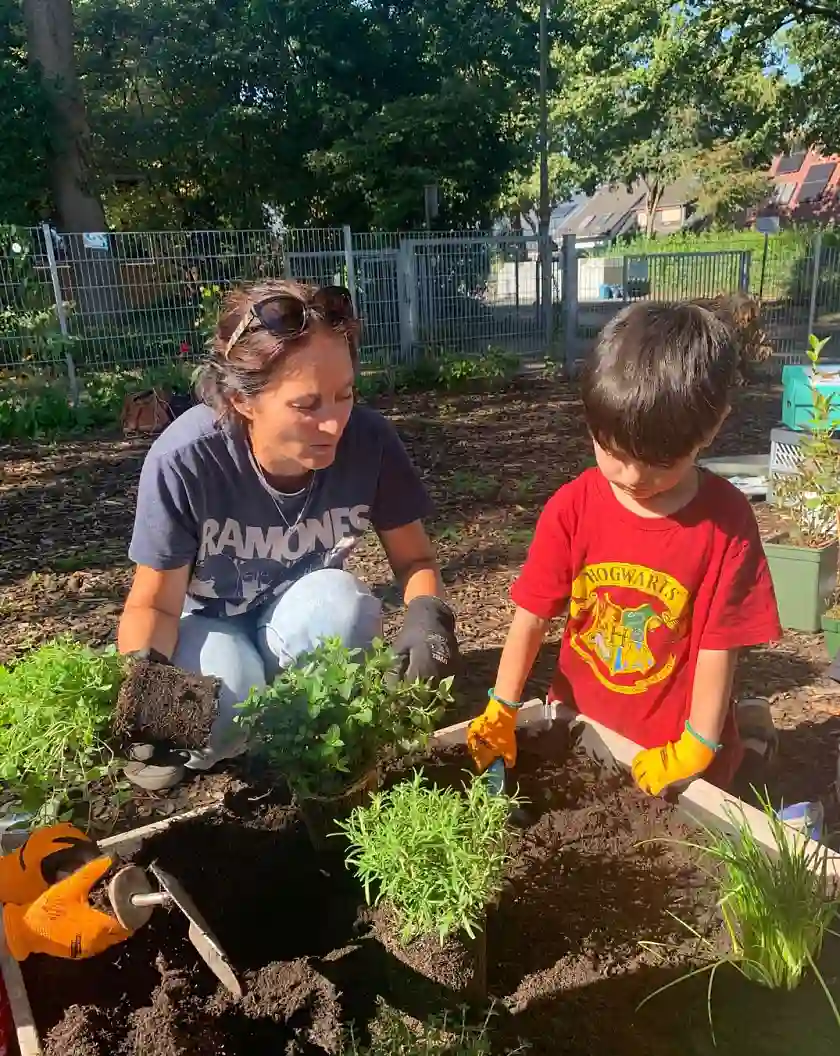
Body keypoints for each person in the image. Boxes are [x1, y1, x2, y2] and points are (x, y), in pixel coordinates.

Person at [118, 280, 458, 789]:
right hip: (205, 624)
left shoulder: (370, 444)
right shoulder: (186, 461)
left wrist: (428, 616)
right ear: (242, 399)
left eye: (345, 395)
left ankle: (298, 736)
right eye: (307, 405)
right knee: (223, 708)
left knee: (347, 607)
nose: (333, 425)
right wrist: (141, 696)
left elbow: (415, 564)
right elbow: (156, 606)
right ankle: (251, 735)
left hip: (297, 613)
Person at [467, 301, 781, 796]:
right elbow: (531, 616)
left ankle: (751, 740)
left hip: (674, 750)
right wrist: (501, 705)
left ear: (713, 425)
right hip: (581, 730)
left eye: (659, 462)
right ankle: (753, 727)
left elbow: (720, 647)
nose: (634, 478)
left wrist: (698, 744)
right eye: (612, 452)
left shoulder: (727, 523)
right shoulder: (572, 508)